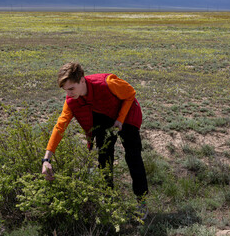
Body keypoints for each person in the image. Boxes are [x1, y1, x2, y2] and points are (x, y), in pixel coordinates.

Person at [41, 62, 149, 218]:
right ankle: (109, 200)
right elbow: (59, 127)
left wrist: (120, 119)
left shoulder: (107, 83)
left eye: (71, 88)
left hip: (128, 113)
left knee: (133, 156)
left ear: (82, 80)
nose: (69, 94)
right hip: (103, 115)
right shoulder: (72, 100)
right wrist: (46, 159)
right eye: (65, 90)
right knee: (103, 157)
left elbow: (131, 94)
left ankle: (142, 201)